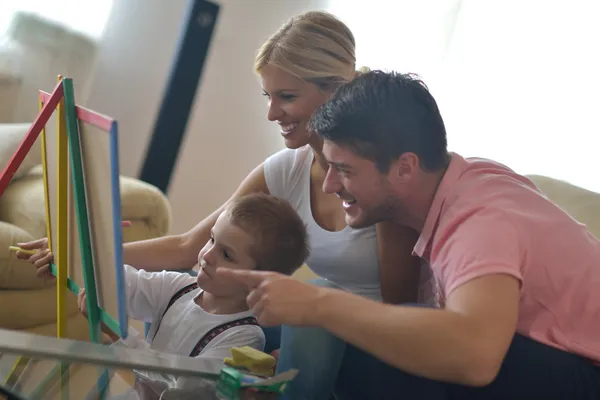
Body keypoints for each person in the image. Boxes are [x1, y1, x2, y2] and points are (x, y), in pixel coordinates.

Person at [16, 11, 431, 399]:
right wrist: (86, 257)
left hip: (367, 347)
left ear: (336, 91)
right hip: (307, 332)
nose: (272, 113)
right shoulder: (287, 169)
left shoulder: (378, 180)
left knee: (278, 316)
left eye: (286, 96)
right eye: (267, 95)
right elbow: (186, 247)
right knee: (220, 312)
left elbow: (398, 315)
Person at [216, 70, 600, 399]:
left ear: (404, 169)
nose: (330, 185)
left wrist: (321, 305)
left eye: (344, 170)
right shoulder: (466, 179)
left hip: (587, 372)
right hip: (556, 362)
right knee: (309, 335)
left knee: (367, 343)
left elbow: (477, 355)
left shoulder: (478, 218)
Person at [39, 193, 309, 391]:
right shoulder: (180, 287)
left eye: (227, 254)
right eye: (212, 239)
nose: (207, 255)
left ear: (257, 281)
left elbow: (179, 387)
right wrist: (95, 249)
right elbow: (121, 283)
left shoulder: (243, 337)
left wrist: (117, 333)